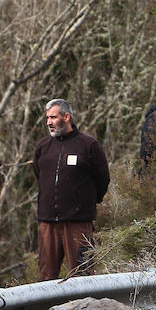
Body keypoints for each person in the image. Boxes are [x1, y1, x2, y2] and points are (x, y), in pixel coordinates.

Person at [34, 98, 111, 280]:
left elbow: (102, 179)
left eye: (53, 117)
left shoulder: (89, 145)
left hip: (78, 223)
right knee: (46, 277)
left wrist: (86, 203)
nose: (49, 122)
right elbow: (39, 176)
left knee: (82, 275)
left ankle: (86, 309)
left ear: (66, 117)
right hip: (47, 223)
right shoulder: (43, 147)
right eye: (47, 118)